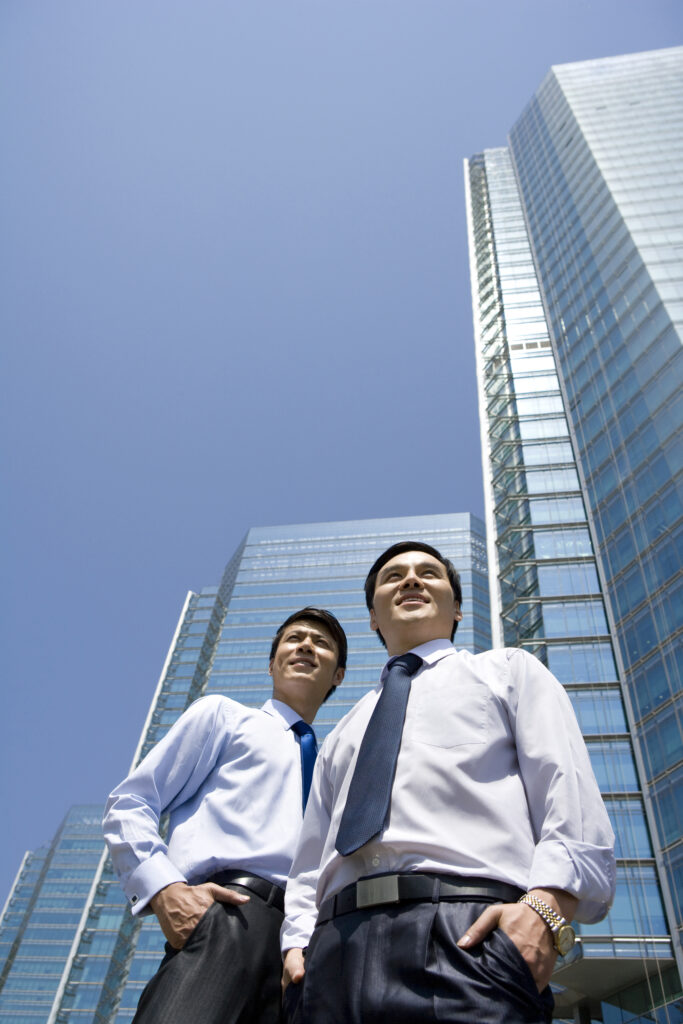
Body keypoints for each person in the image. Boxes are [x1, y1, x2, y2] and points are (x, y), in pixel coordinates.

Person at [281, 543, 615, 1024]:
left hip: (467, 936)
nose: (411, 580)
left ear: (456, 607)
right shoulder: (342, 733)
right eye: (393, 576)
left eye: (428, 573)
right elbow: (310, 857)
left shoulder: (507, 672)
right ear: (373, 616)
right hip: (331, 953)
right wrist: (296, 943)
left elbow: (566, 788)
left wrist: (547, 907)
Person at [103, 606, 346, 1024]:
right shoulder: (224, 716)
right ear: (272, 664)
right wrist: (165, 890)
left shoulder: (335, 767)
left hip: (303, 954)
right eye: (294, 638)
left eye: (321, 643)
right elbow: (130, 803)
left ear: (338, 675)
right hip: (227, 919)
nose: (306, 644)